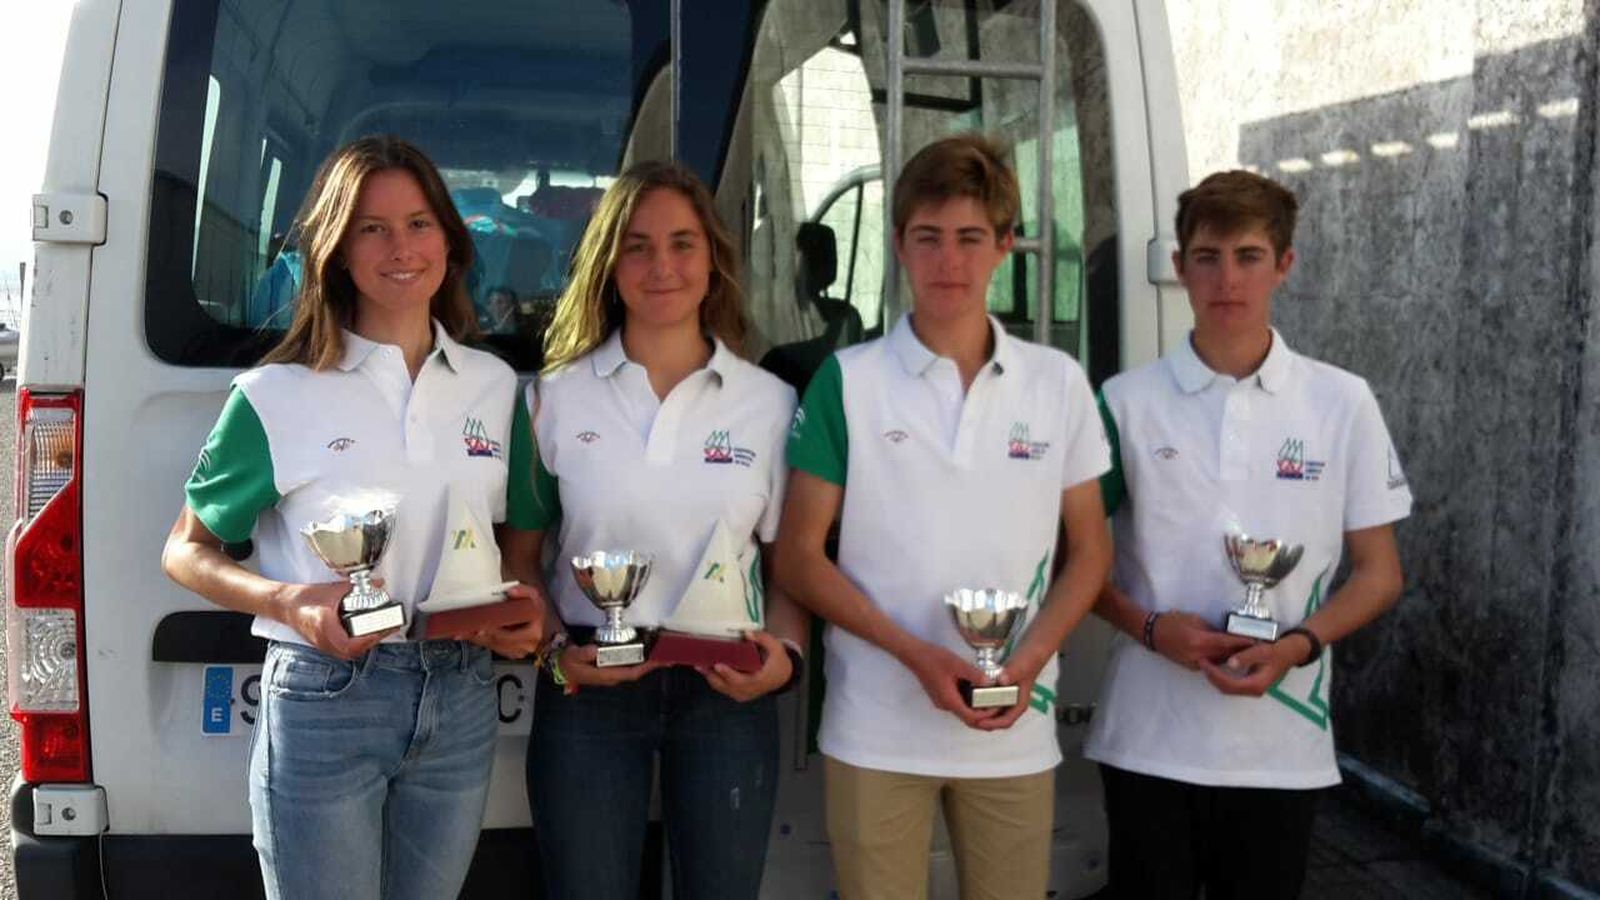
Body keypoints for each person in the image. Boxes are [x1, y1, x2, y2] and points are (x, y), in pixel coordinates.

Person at [161, 134, 546, 900]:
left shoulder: (498, 389)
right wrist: (288, 602)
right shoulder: (275, 395)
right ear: (337, 250)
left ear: (450, 240)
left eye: (419, 223)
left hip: (463, 696)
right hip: (324, 700)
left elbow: (519, 548)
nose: (401, 248)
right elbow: (184, 551)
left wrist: (522, 607)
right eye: (373, 228)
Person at [775, 133, 1114, 900]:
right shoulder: (847, 381)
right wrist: (917, 657)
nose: (948, 262)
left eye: (970, 239)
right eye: (928, 239)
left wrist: (1023, 666)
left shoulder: (1058, 384)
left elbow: (1090, 553)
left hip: (1012, 733)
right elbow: (797, 556)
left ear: (1005, 246)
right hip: (876, 726)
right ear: (899, 245)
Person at [1084, 170, 1413, 898]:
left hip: (1281, 746)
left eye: (1248, 256)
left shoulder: (1342, 402)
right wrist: (1149, 628)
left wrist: (1297, 645)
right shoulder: (1124, 402)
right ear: (1179, 268)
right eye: (1207, 257)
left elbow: (1380, 573)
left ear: (1284, 265)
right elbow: (1077, 564)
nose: (1226, 278)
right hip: (1149, 738)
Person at [519, 159, 808, 900]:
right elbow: (520, 566)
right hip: (589, 689)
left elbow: (789, 573)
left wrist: (787, 660)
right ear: (610, 264)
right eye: (638, 246)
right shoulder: (554, 399)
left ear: (713, 260)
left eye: (682, 243)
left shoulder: (770, 405)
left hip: (727, 696)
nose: (661, 266)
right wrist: (557, 659)